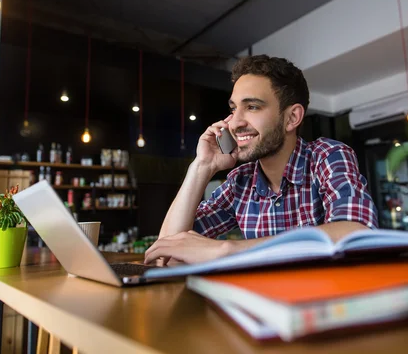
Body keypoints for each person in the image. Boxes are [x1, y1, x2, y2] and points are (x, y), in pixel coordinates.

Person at [144, 55, 378, 265]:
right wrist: (201, 167)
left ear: (292, 117)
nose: (235, 123)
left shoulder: (326, 156)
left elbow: (356, 234)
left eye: (252, 107)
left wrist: (228, 250)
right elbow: (166, 253)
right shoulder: (240, 181)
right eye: (234, 109)